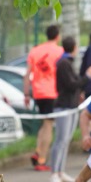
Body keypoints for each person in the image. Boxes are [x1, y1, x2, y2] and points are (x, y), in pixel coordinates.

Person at [27, 24, 65, 172]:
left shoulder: (35, 50)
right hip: (52, 92)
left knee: (45, 122)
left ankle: (38, 151)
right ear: (57, 36)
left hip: (37, 92)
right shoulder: (60, 51)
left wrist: (26, 93)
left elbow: (27, 74)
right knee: (49, 124)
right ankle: (42, 159)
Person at [49, 35, 85, 182]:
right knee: (60, 140)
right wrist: (87, 77)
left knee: (66, 140)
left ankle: (60, 171)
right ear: (74, 47)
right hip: (63, 106)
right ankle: (54, 173)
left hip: (71, 106)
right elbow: (71, 84)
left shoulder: (67, 62)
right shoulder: (64, 63)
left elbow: (73, 85)